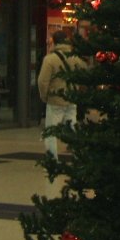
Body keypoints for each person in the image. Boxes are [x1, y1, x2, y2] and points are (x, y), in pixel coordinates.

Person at [37, 30, 87, 159]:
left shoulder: (50, 59)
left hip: (55, 100)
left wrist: (44, 96)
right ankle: (78, 155)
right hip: (71, 98)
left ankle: (52, 159)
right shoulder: (75, 57)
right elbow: (85, 74)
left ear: (54, 41)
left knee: (51, 131)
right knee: (72, 129)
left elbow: (43, 81)